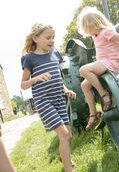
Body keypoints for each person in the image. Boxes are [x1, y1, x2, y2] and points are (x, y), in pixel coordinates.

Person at [20, 23, 76, 172]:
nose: (51, 40)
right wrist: (36, 78)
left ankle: (63, 156)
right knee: (64, 134)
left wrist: (66, 90)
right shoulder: (29, 59)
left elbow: (58, 78)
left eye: (53, 37)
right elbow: (23, 85)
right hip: (44, 102)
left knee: (68, 135)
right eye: (48, 37)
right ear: (36, 38)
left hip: (59, 99)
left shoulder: (55, 54)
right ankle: (68, 168)